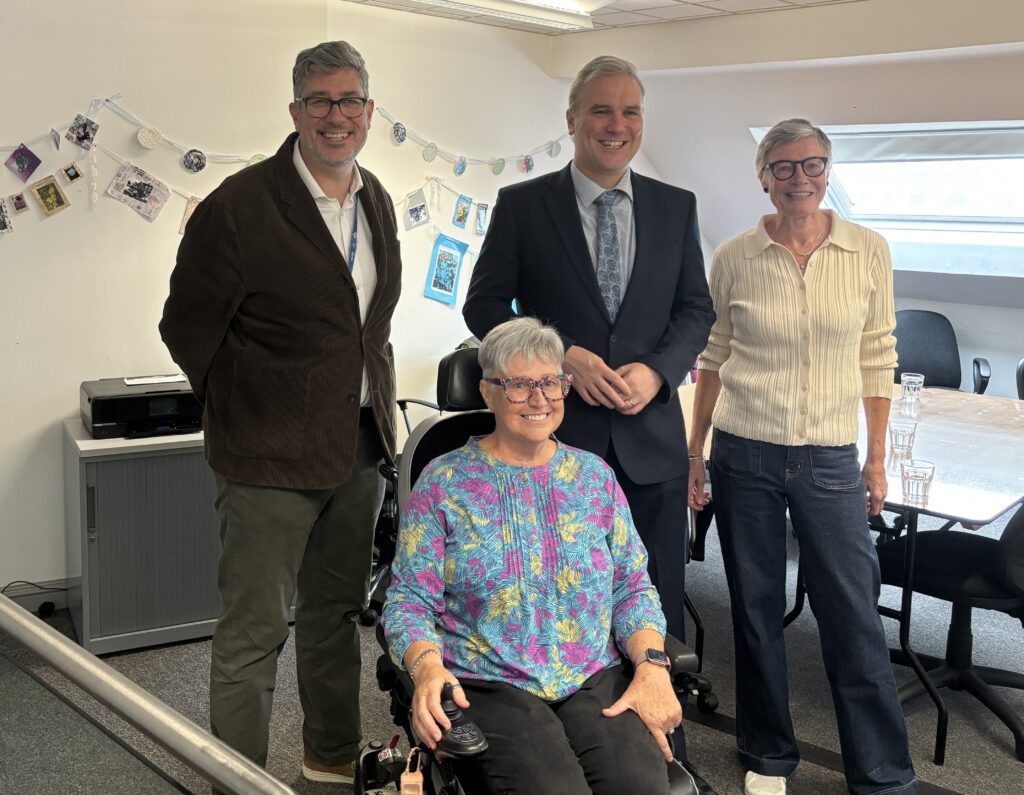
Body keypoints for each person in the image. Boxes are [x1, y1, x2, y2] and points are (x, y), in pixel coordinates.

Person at [159, 41, 401, 786]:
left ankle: (330, 762)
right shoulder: (241, 205)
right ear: (295, 110)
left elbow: (367, 327)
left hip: (358, 449)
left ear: (369, 111)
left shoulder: (376, 199)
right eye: (321, 100)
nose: (337, 115)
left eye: (351, 100)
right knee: (254, 634)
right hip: (266, 459)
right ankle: (238, 779)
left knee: (333, 620)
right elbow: (186, 327)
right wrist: (246, 408)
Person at [686, 119, 916, 795]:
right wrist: (695, 452)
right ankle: (767, 754)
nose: (799, 179)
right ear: (763, 176)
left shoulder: (867, 250)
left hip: (828, 458)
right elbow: (714, 358)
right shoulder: (734, 254)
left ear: (828, 170)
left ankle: (880, 771)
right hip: (745, 454)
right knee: (755, 610)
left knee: (852, 614)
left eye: (813, 165)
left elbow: (879, 358)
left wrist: (875, 462)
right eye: (783, 167)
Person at [463, 55, 714, 643]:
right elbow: (483, 307)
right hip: (554, 441)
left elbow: (696, 309)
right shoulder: (523, 205)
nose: (616, 124)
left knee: (653, 605)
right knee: (557, 602)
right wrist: (561, 353)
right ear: (573, 117)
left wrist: (658, 372)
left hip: (650, 444)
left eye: (631, 111)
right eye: (601, 109)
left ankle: (658, 731)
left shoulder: (676, 207)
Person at [383, 317, 684, 795]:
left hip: (592, 674)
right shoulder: (444, 482)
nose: (540, 399)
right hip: (487, 680)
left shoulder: (594, 478)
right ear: (488, 392)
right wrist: (426, 669)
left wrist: (651, 666)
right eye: (520, 385)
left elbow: (631, 586)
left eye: (551, 383)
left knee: (641, 787)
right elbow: (409, 602)